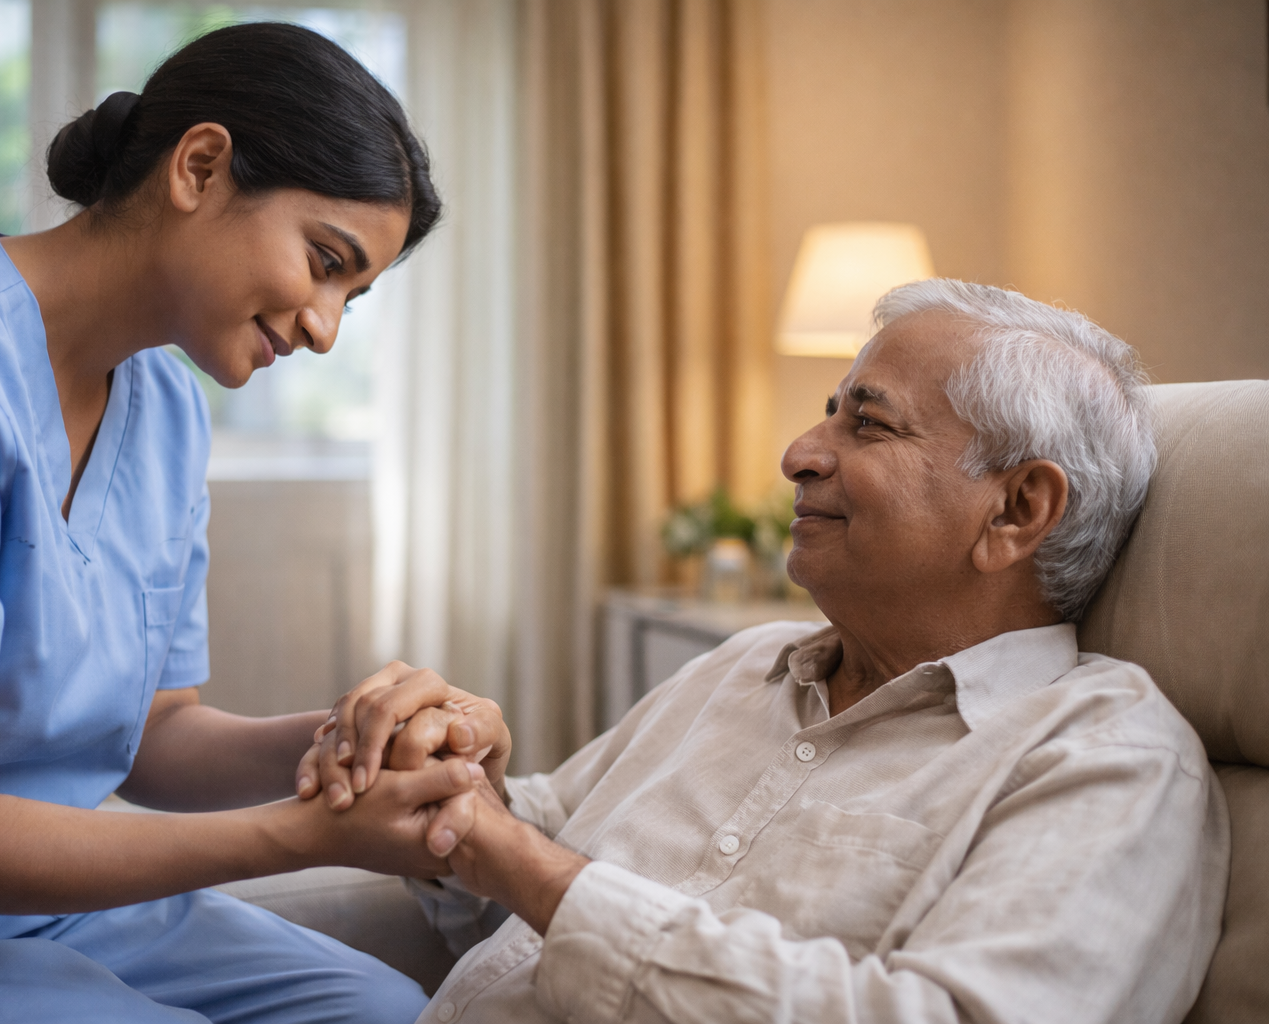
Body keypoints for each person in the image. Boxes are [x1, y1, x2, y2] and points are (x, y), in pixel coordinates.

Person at [0, 23, 503, 1024]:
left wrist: (358, 743)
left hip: (34, 904)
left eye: (349, 299)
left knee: (389, 1008)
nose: (322, 326)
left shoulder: (165, 407)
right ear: (200, 166)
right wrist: (305, 833)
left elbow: (154, 733)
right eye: (324, 261)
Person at [303, 280, 1229, 1024]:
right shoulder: (743, 664)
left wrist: (521, 862)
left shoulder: (1109, 761)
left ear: (1019, 509)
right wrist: (461, 783)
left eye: (867, 423)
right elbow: (529, 862)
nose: (797, 453)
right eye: (828, 414)